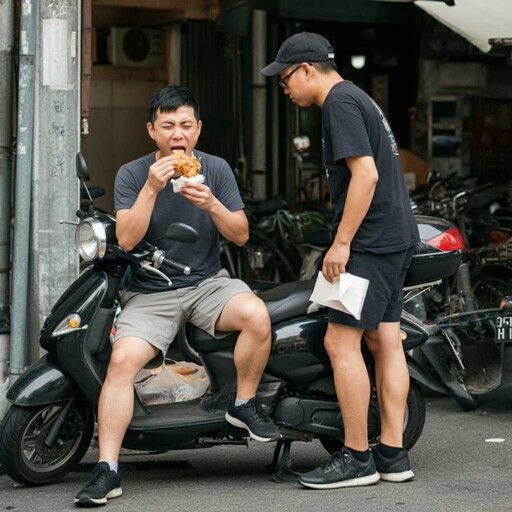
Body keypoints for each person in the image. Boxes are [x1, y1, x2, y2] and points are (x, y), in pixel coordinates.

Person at [74, 85, 280, 507]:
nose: (177, 134)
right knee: (121, 362)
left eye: (185, 124)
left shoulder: (217, 170)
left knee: (256, 314)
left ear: (198, 129)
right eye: (167, 125)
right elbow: (127, 241)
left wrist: (212, 206)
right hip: (152, 290)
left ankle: (243, 402)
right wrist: (151, 188)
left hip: (207, 283)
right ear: (152, 131)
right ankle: (107, 468)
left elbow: (240, 235)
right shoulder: (134, 174)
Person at [261, 32, 420, 490]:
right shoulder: (358, 98)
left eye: (285, 78)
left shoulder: (338, 104)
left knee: (340, 342)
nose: (284, 88)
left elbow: (365, 175)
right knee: (383, 341)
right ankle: (392, 453)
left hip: (370, 243)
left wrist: (342, 243)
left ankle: (355, 458)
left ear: (308, 69)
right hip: (393, 238)